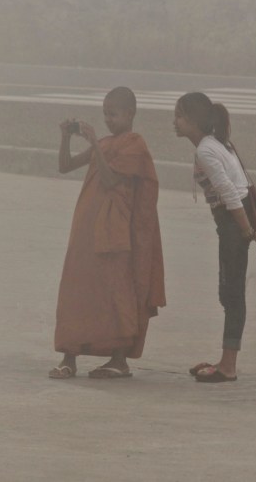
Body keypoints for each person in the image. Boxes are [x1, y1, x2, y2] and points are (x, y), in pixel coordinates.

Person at [48, 87, 165, 379]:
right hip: (87, 227)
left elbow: (112, 179)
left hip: (116, 232)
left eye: (113, 114)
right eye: (105, 114)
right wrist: (65, 137)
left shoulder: (134, 144)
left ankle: (119, 359)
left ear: (130, 114)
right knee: (78, 288)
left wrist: (95, 146)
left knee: (115, 292)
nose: (109, 120)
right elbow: (65, 166)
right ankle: (68, 358)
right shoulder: (107, 142)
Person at [173, 92, 256, 382]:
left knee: (232, 294)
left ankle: (228, 365)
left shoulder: (206, 150)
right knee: (228, 292)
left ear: (192, 120)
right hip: (232, 224)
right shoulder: (216, 144)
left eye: (178, 116)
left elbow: (230, 193)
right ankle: (225, 359)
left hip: (232, 224)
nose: (174, 122)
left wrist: (245, 232)